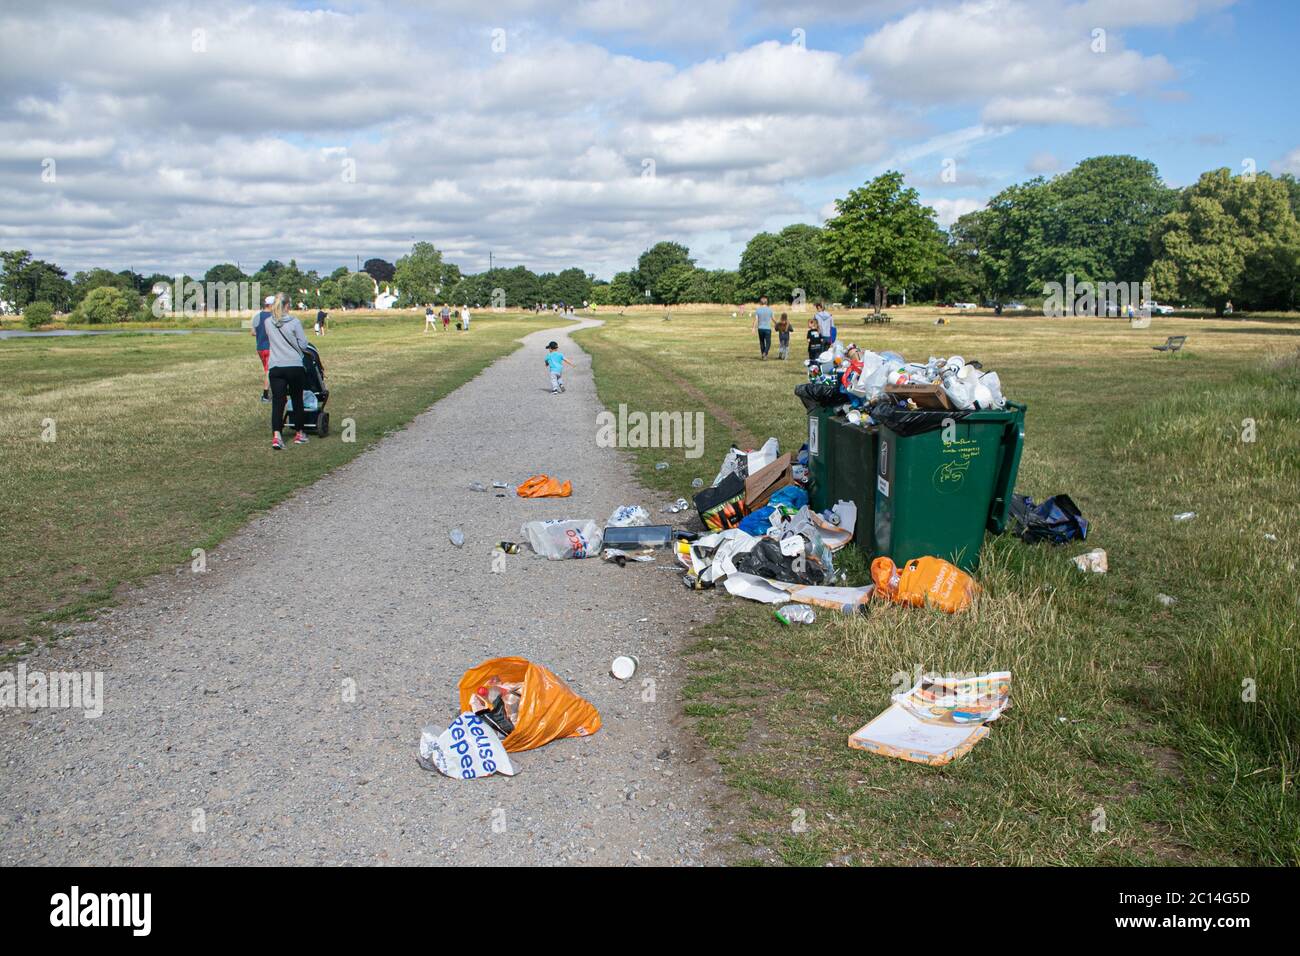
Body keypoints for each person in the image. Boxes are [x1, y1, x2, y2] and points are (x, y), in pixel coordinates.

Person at [265, 292, 311, 450]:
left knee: (278, 402)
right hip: (293, 365)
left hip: (276, 366)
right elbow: (303, 345)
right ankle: (299, 432)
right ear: (286, 306)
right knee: (297, 399)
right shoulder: (294, 322)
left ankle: (277, 436)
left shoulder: (267, 322)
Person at [252, 294, 273, 402]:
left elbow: (253, 333)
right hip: (270, 347)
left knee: (268, 370)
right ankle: (265, 395)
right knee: (269, 371)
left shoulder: (256, 316)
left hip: (260, 347)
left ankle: (271, 393)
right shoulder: (273, 317)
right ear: (270, 305)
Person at [751, 295, 774, 359]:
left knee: (762, 342)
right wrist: (778, 324)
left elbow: (755, 320)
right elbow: (773, 319)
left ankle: (763, 355)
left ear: (760, 303)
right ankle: (765, 353)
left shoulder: (758, 310)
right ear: (767, 302)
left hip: (760, 328)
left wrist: (753, 328)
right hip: (767, 329)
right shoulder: (770, 310)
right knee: (768, 342)